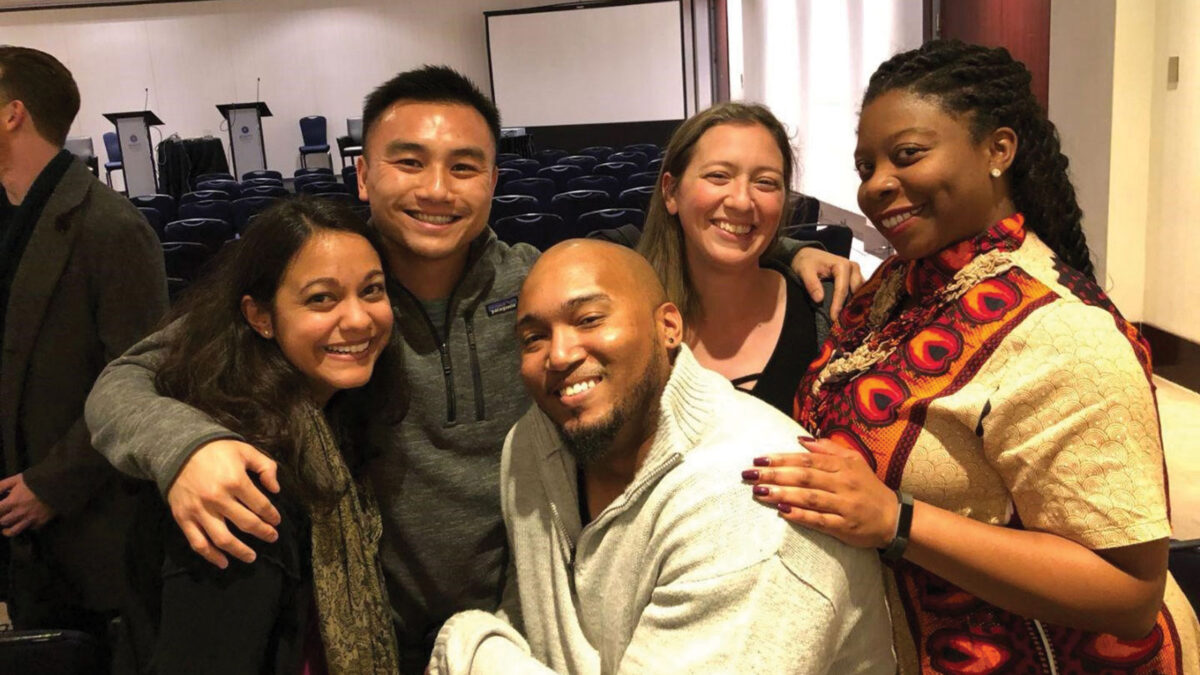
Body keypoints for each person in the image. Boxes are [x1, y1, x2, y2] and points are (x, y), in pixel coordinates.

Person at [84, 65, 862, 671]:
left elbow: (643, 267)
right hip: (365, 626)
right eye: (408, 162)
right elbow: (124, 381)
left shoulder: (535, 286)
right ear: (364, 175)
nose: (435, 188)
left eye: (464, 167)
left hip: (516, 634)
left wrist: (786, 250)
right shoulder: (331, 293)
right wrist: (186, 447)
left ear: (494, 180)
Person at [742, 40, 1200, 672]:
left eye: (907, 155)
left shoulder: (1064, 333)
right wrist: (788, 250)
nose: (877, 185)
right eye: (865, 164)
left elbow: (1129, 593)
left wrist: (896, 520)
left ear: (998, 150)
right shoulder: (901, 284)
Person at [430, 239, 893, 674]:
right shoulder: (534, 441)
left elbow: (494, 647)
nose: (558, 354)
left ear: (668, 327)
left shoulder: (752, 507)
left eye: (589, 319)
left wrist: (470, 644)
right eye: (533, 338)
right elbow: (533, 619)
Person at [120, 198, 401, 674]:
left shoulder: (332, 418)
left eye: (371, 291)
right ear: (260, 316)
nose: (357, 319)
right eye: (321, 298)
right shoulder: (239, 482)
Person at [0, 45, 167, 654]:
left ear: (12, 114)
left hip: (84, 529)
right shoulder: (10, 214)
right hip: (20, 533)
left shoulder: (112, 228)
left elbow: (142, 379)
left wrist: (52, 484)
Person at [640, 102, 846, 415]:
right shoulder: (628, 313)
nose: (741, 200)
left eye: (765, 182)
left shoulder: (827, 312)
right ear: (671, 192)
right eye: (719, 176)